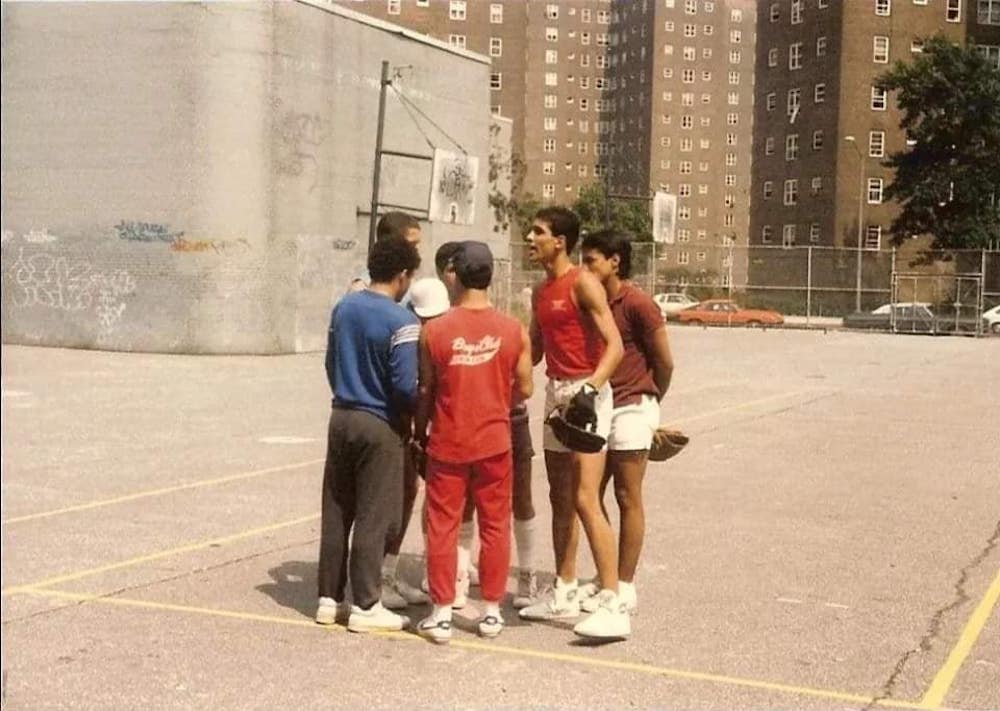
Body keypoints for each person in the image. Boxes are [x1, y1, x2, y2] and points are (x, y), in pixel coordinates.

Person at [413, 241, 533, 644]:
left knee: (443, 526)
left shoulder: (434, 330)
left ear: (456, 275)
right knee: (496, 525)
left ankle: (443, 612)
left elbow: (426, 390)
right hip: (495, 440)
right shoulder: (514, 329)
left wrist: (419, 431)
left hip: (448, 442)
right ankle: (493, 612)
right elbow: (526, 388)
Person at [518, 207, 629, 641]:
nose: (530, 237)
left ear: (560, 241)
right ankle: (564, 589)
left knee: (586, 499)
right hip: (555, 394)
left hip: (589, 393)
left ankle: (613, 601)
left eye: (538, 232)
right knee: (559, 497)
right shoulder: (540, 292)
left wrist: (590, 389)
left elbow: (615, 346)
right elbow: (535, 351)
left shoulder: (583, 282)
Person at [316, 235, 421, 633]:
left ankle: (329, 597)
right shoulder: (402, 321)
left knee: (337, 509)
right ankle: (365, 602)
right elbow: (404, 386)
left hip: (341, 414)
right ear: (401, 275)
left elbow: (330, 362)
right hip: (380, 421)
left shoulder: (343, 308)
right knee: (374, 514)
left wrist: (347, 388)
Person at [580, 230, 674, 617]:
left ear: (615, 262)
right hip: (600, 406)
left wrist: (650, 402)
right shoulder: (591, 300)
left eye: (592, 261)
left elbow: (665, 362)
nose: (586, 268)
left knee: (626, 495)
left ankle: (626, 584)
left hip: (633, 405)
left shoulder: (637, 302)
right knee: (589, 494)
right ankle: (606, 578)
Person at [379, 278, 451, 610]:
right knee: (388, 499)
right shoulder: (405, 330)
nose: (430, 324)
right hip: (395, 424)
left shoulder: (437, 334)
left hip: (414, 427)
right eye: (427, 318)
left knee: (408, 494)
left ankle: (389, 571)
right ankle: (377, 578)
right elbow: (410, 388)